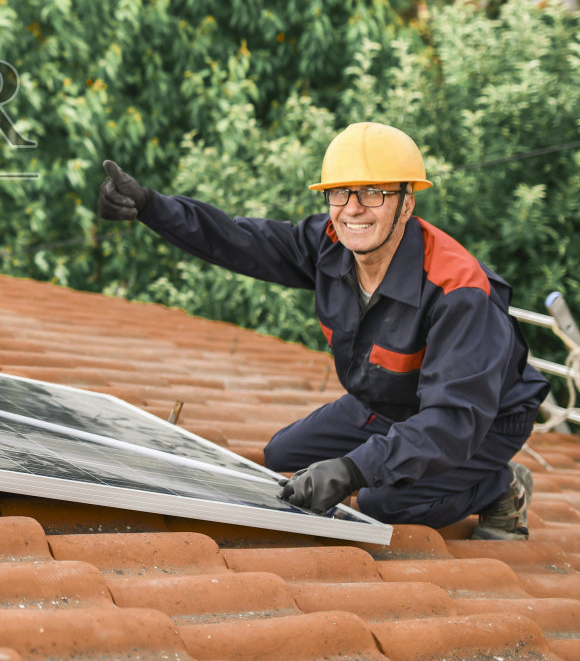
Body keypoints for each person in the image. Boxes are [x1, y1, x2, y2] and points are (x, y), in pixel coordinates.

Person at [97, 122, 548, 539]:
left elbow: (453, 421)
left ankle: (499, 484)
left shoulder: (458, 290)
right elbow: (241, 241)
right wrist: (153, 208)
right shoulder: (329, 244)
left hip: (481, 420)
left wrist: (354, 470)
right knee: (280, 459)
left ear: (406, 203)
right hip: (390, 402)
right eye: (339, 193)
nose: (352, 209)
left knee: (380, 501)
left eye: (373, 192)